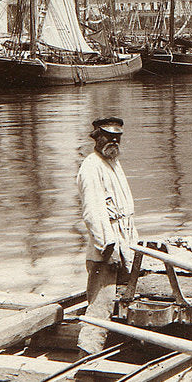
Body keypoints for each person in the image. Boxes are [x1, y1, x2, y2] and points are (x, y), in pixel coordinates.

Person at [76, 117, 138, 356]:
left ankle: (118, 348)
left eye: (117, 137)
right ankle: (86, 355)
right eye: (108, 136)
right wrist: (107, 247)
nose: (113, 141)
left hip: (124, 242)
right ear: (96, 137)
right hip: (107, 247)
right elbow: (92, 211)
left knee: (122, 296)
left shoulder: (113, 163)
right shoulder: (91, 167)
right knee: (100, 304)